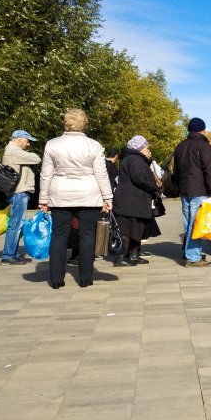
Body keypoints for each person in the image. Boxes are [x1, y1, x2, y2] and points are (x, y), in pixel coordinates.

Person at [38, 109, 113, 289]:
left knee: (58, 236)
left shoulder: (52, 144)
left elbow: (46, 175)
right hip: (88, 195)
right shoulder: (94, 145)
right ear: (84, 123)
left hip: (60, 195)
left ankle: (56, 280)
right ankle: (86, 278)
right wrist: (107, 197)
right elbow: (101, 174)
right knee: (87, 236)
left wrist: (43, 199)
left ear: (65, 123)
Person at [173, 118, 211, 267]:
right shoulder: (204, 145)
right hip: (198, 190)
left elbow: (176, 171)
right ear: (203, 130)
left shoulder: (180, 146)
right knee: (196, 224)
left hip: (185, 190)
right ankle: (192, 257)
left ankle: (193, 252)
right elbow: (210, 169)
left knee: (188, 223)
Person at [112, 136, 160, 266]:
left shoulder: (132, 159)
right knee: (127, 230)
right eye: (146, 147)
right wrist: (153, 187)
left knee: (135, 230)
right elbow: (139, 178)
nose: (148, 149)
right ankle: (121, 257)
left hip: (132, 201)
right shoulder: (135, 160)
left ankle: (133, 255)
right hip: (131, 201)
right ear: (140, 148)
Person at [0, 130, 41, 265]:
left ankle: (13, 253)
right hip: (19, 192)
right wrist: (28, 155)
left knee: (17, 224)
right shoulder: (14, 151)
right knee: (15, 225)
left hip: (18, 192)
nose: (28, 144)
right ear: (19, 140)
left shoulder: (14, 151)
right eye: (27, 141)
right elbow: (37, 158)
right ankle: (8, 256)